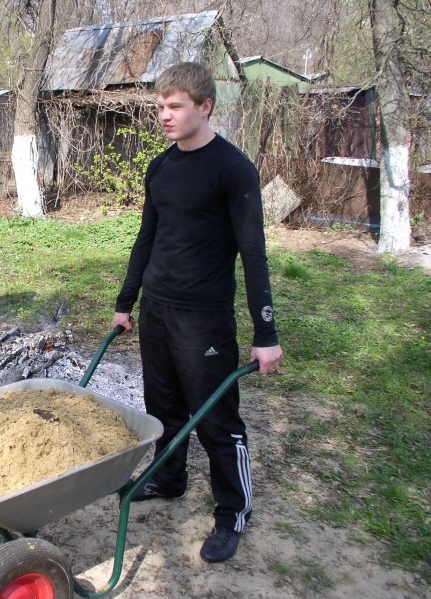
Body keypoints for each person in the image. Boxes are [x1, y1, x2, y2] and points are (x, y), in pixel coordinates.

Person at [111, 62, 284, 563]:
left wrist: (265, 331)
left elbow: (254, 252)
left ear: (205, 107)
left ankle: (233, 511)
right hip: (158, 312)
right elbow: (147, 238)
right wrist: (126, 302)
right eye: (160, 106)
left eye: (175, 106)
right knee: (162, 409)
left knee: (216, 420)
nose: (164, 115)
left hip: (204, 318)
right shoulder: (161, 167)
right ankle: (169, 478)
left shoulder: (233, 169)